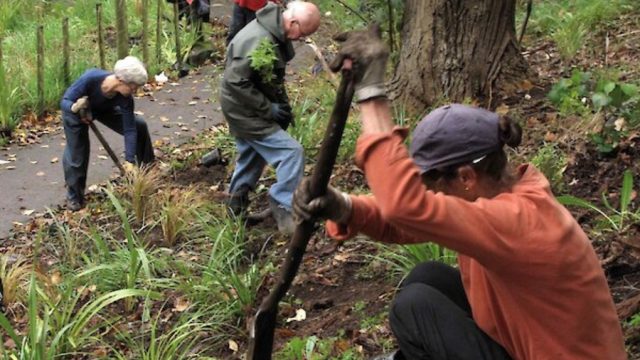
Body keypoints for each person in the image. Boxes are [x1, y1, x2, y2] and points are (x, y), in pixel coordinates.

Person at [293, 27, 627, 359]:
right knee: (428, 278)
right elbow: (410, 222)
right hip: (520, 342)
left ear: (466, 176)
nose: (429, 194)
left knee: (415, 308)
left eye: (432, 186)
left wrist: (371, 94)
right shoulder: (501, 201)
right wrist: (346, 207)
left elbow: (406, 208)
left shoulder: (520, 221)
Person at [219, 1, 320, 234]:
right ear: (293, 22)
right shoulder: (259, 39)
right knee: (291, 152)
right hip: (244, 110)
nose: (299, 39)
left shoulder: (275, 30)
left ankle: (235, 205)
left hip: (246, 105)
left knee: (252, 154)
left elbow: (268, 76)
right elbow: (235, 81)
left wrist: (279, 105)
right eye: (302, 33)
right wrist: (269, 109)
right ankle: (283, 204)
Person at [61, 56, 154, 211]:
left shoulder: (125, 98)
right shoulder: (91, 78)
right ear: (121, 80)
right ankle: (74, 197)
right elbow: (64, 101)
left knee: (139, 125)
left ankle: (146, 171)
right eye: (133, 87)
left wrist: (129, 161)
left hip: (104, 110)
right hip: (76, 109)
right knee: (78, 152)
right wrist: (75, 108)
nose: (134, 91)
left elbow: (130, 129)